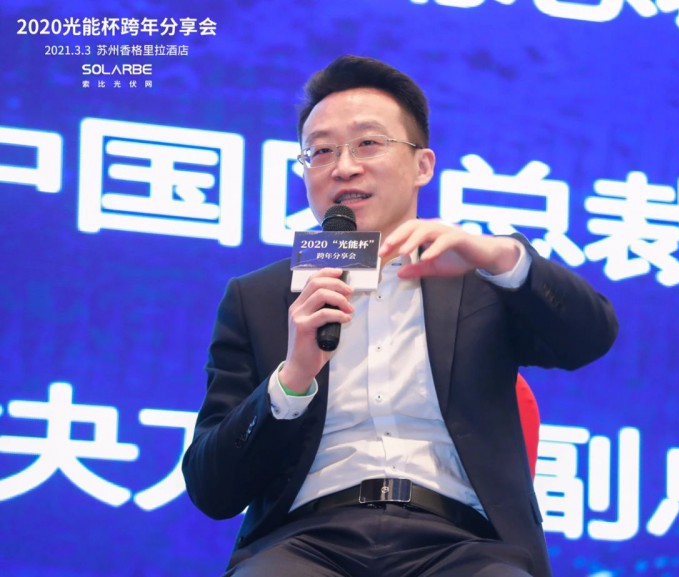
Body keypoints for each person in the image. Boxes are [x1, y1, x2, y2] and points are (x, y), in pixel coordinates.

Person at [182, 55, 618, 577]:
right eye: (321, 151)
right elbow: (212, 489)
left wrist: (501, 255)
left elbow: (590, 337)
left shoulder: (479, 274)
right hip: (306, 544)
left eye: (368, 143)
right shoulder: (259, 298)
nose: (344, 167)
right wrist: (292, 378)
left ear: (423, 166)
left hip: (464, 545)